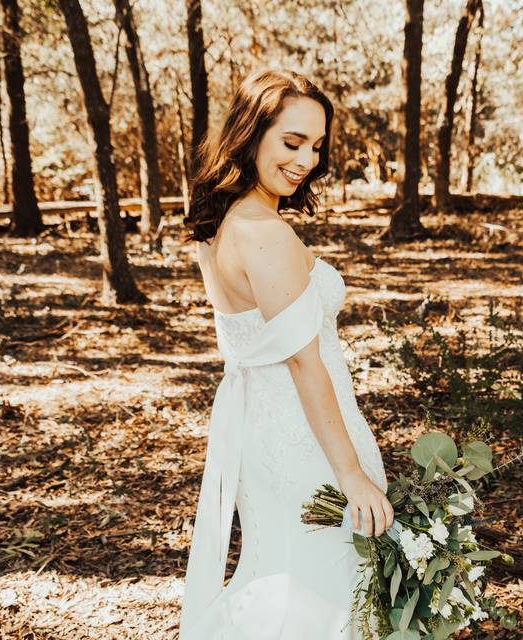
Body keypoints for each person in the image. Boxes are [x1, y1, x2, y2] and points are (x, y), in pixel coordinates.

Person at [178, 68, 394, 639]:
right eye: (291, 142)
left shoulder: (223, 223)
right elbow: (304, 361)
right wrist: (351, 476)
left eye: (316, 146)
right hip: (304, 441)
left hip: (264, 430)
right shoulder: (263, 231)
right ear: (251, 135)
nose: (306, 160)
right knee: (320, 595)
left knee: (281, 578)